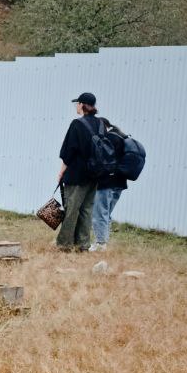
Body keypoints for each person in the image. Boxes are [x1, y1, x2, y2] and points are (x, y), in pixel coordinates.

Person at [55, 91, 103, 252]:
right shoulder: (101, 124)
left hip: (77, 175)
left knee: (71, 209)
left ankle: (65, 245)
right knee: (87, 210)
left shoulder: (77, 124)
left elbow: (68, 152)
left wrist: (61, 172)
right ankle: (83, 245)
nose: (76, 106)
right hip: (94, 175)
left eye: (77, 103)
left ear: (82, 105)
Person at [91, 118, 129, 251]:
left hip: (107, 182)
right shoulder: (121, 136)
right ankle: (104, 241)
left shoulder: (110, 138)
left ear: (103, 126)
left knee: (99, 212)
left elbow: (104, 160)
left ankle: (100, 243)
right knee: (106, 213)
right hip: (120, 182)